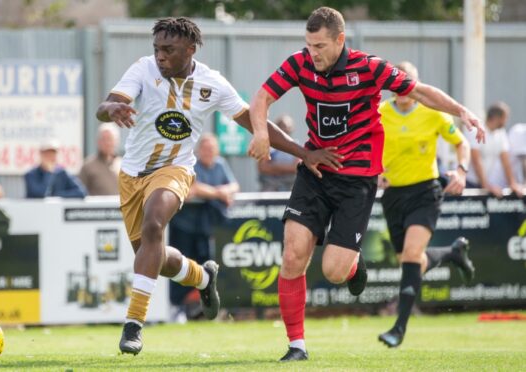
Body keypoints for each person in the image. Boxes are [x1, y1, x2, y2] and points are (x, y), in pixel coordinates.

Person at [249, 6, 485, 362]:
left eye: (320, 46)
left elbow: (420, 92)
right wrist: (260, 130)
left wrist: (463, 112)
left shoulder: (369, 67)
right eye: (308, 45)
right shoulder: (299, 63)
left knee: (333, 270)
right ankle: (296, 345)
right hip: (315, 172)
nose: (312, 53)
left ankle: (354, 266)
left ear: (340, 40)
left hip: (357, 180)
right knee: (294, 253)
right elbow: (262, 97)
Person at [95, 17, 308, 356]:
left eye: (169, 50)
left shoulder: (213, 84)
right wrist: (111, 109)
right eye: (157, 49)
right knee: (153, 257)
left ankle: (134, 324)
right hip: (132, 174)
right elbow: (106, 106)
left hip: (175, 169)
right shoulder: (143, 68)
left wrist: (304, 153)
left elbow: (256, 123)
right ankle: (202, 277)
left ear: (191, 49)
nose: (161, 56)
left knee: (154, 225)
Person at [377, 61, 476, 348]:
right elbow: (366, 146)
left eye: (410, 83)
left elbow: (462, 144)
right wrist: (375, 174)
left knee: (410, 255)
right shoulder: (380, 113)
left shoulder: (432, 113)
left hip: (425, 192)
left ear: (417, 84)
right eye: (398, 84)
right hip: (393, 195)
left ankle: (399, 328)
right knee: (411, 260)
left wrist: (461, 170)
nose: (404, 89)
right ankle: (453, 252)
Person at [169, 133, 239, 320]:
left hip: (206, 228)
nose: (208, 152)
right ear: (199, 150)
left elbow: (234, 185)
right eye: (205, 148)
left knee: (206, 268)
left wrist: (225, 190)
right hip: (184, 226)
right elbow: (195, 188)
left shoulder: (221, 164)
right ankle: (177, 308)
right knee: (179, 266)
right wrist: (218, 192)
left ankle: (203, 308)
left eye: (212, 149)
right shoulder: (191, 164)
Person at [467, 102, 523, 198]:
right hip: (469, 184)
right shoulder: (476, 130)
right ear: (498, 118)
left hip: (484, 185)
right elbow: (476, 161)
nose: (506, 121)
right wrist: (486, 186)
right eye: (505, 118)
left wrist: (512, 184)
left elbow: (506, 162)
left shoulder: (501, 134)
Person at [258, 114, 300, 191]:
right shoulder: (266, 145)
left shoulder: (297, 147)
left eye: (289, 127)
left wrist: (274, 166)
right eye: (282, 126)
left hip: (290, 188)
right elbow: (263, 167)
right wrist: (288, 168)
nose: (286, 129)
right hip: (270, 188)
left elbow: (297, 168)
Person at [79, 123, 122, 196]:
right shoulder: (88, 166)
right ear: (98, 141)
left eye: (110, 139)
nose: (107, 143)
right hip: (97, 207)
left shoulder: (124, 164)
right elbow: (79, 192)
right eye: (104, 139)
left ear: (116, 141)